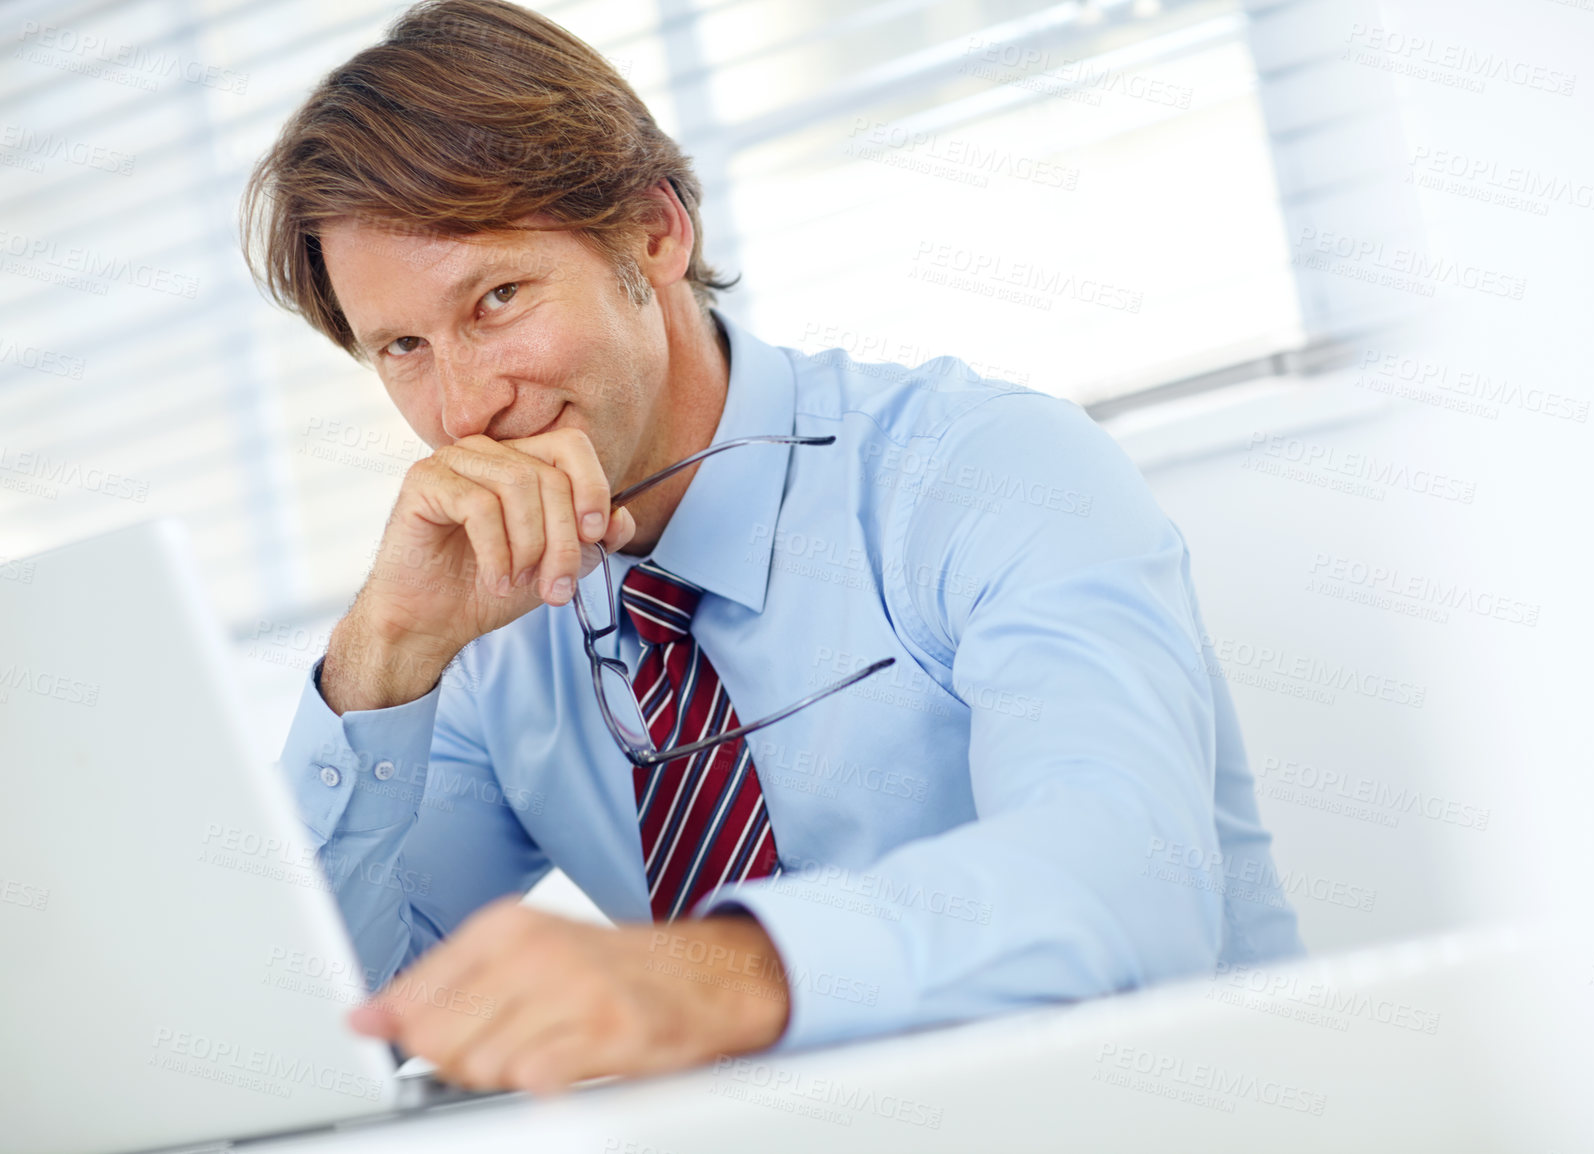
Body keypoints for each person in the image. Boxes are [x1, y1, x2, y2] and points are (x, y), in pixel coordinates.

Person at [240, 0, 1301, 1098]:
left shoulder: (981, 469)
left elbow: (1132, 886)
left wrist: (708, 977)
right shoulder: (495, 620)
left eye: (497, 298)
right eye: (403, 347)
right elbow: (315, 1020)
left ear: (653, 234)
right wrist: (385, 653)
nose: (464, 406)